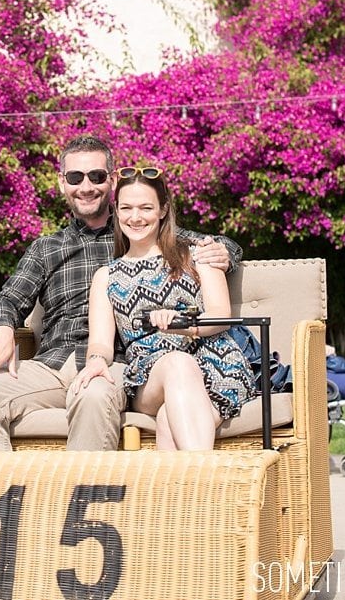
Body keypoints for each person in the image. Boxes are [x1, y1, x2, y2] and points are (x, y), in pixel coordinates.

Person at [0, 136, 242, 451]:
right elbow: (6, 300)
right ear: (62, 182)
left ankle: (85, 496)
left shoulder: (138, 232)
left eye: (96, 176)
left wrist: (224, 252)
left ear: (112, 180)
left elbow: (207, 245)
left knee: (93, 395)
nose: (87, 186)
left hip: (116, 363)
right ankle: (5, 497)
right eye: (76, 177)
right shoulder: (46, 248)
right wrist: (1, 327)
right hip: (52, 363)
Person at [85, 166, 256, 451]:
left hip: (216, 364)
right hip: (149, 373)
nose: (135, 217)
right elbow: (101, 341)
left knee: (168, 419)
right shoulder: (106, 276)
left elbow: (221, 316)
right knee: (178, 363)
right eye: (126, 207)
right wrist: (96, 360)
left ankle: (182, 493)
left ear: (163, 210)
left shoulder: (197, 255)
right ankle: (205, 476)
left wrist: (182, 322)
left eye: (146, 207)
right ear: (116, 210)